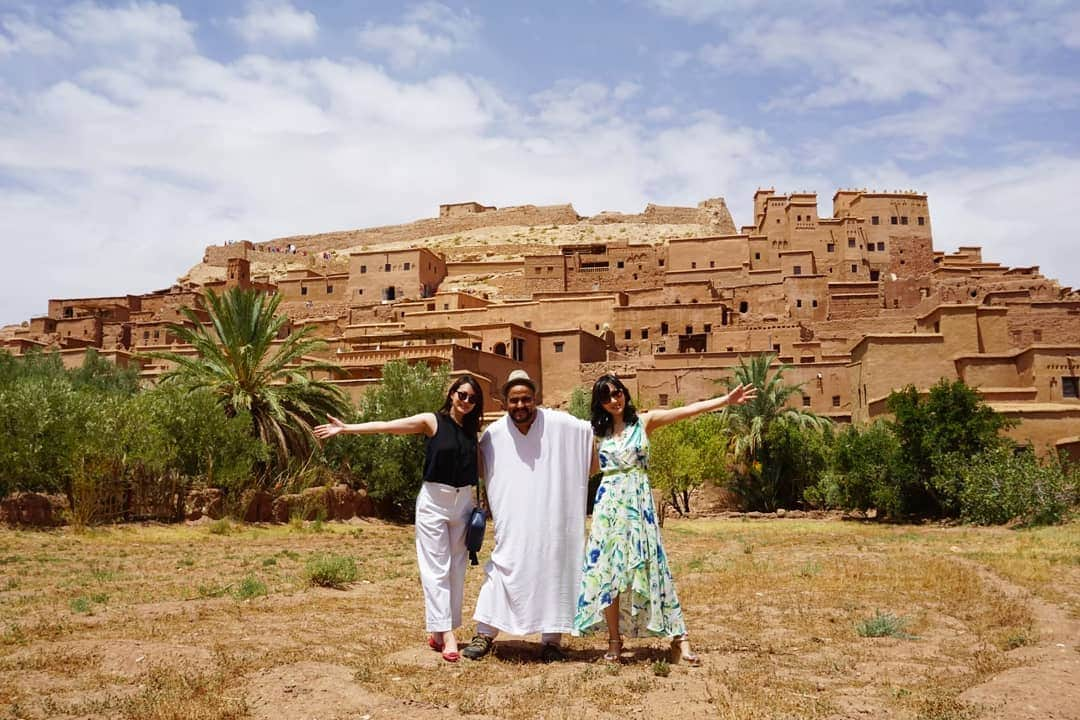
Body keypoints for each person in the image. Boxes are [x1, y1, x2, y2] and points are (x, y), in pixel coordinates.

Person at [573, 374, 757, 665]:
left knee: (653, 566)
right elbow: (584, 470)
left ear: (625, 393)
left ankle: (680, 638)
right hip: (608, 506)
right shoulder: (597, 435)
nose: (614, 400)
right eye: (606, 397)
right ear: (600, 403)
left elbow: (687, 411)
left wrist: (725, 401)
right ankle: (614, 641)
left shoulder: (643, 422)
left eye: (617, 393)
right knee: (607, 571)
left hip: (638, 504)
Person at [313, 374, 485, 663]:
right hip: (434, 501)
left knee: (456, 569)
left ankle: (438, 631)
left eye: (472, 398)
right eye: (462, 394)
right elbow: (388, 426)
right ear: (451, 394)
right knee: (436, 569)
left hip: (463, 504)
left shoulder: (472, 432)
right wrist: (346, 429)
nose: (466, 401)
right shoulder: (432, 421)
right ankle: (449, 634)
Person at [461, 369, 594, 662]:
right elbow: (476, 468)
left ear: (536, 400)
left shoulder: (560, 425)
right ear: (505, 402)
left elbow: (591, 439)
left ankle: (551, 640)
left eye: (526, 400)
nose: (520, 406)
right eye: (514, 401)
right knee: (502, 570)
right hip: (513, 523)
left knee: (553, 570)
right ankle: (484, 634)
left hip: (552, 521)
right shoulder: (494, 435)